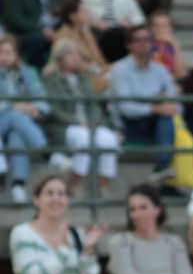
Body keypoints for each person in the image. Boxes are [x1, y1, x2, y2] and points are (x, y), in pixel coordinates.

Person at [9, 171, 103, 274]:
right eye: (49, 193)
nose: (56, 198)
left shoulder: (76, 234)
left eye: (62, 194)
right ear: (36, 200)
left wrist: (87, 251)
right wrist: (63, 249)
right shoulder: (22, 233)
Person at [104, 184, 193, 274]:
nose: (137, 214)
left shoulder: (175, 243)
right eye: (132, 209)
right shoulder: (120, 242)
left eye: (143, 207)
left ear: (157, 210)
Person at [42, 38, 116, 192]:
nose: (76, 59)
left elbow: (94, 106)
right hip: (64, 127)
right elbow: (54, 110)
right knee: (84, 138)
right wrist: (78, 122)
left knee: (109, 139)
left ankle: (103, 185)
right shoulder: (50, 79)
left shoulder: (84, 79)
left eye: (78, 55)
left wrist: (93, 123)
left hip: (89, 125)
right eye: (71, 55)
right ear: (60, 58)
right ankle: (75, 184)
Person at [106, 24, 180, 177]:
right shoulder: (120, 69)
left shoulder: (161, 70)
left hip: (157, 124)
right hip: (130, 125)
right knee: (165, 118)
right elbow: (126, 108)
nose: (143, 43)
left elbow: (176, 104)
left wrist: (166, 107)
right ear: (129, 45)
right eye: (138, 40)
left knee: (168, 120)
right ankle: (163, 166)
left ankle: (163, 168)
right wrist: (156, 107)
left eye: (147, 39)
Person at [0, 33, 50, 203]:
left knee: (17, 136)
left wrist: (36, 109)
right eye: (1, 52)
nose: (4, 57)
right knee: (15, 115)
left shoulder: (27, 72)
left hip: (21, 124)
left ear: (16, 55)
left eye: (9, 53)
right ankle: (45, 151)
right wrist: (13, 106)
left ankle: (18, 184)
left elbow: (42, 97)